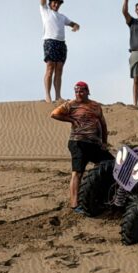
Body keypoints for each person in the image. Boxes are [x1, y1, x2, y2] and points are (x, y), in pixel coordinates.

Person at [50, 81, 113, 212]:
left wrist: (104, 142)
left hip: (94, 144)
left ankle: (103, 194)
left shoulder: (95, 106)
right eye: (76, 91)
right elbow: (54, 114)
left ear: (87, 91)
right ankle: (75, 204)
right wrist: (71, 120)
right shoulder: (71, 104)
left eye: (81, 91)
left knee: (110, 164)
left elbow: (103, 125)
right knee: (77, 172)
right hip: (78, 142)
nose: (78, 94)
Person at [40, 0, 80, 103]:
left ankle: (58, 96)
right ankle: (48, 96)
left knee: (59, 69)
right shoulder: (45, 11)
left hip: (61, 43)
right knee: (50, 67)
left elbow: (74, 23)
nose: (56, 4)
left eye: (58, 3)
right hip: (50, 41)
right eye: (54, 2)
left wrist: (75, 26)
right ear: (50, 3)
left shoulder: (62, 17)